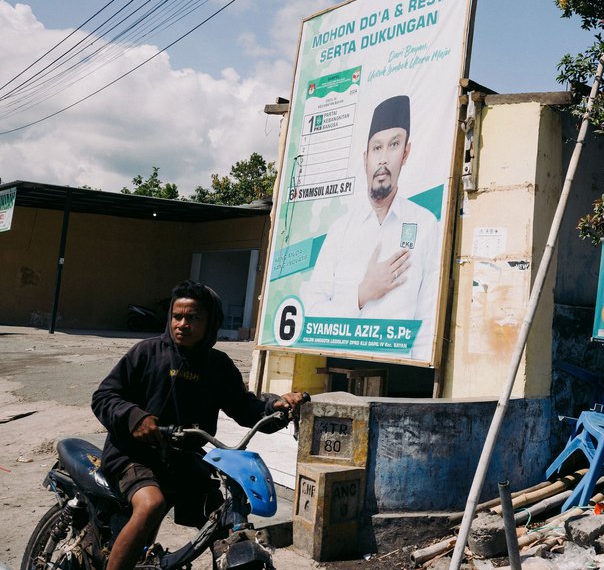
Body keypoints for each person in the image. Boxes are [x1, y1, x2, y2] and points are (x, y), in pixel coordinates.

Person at [92, 280, 305, 570]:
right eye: (177, 316)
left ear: (210, 323)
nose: (182, 324)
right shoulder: (146, 353)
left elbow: (245, 408)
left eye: (193, 318)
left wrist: (276, 406)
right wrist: (134, 417)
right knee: (151, 504)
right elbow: (104, 396)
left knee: (221, 515)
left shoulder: (218, 365)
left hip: (181, 457)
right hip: (133, 453)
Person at [302, 95, 440, 355]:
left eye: (394, 145)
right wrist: (362, 294)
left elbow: (428, 313)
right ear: (366, 157)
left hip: (399, 366)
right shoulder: (341, 228)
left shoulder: (424, 223)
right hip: (336, 360)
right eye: (377, 148)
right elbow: (312, 310)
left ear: (406, 152)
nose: (384, 159)